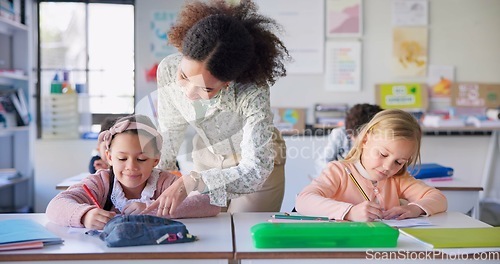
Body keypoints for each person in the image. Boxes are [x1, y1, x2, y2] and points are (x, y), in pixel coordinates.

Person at [145, 0, 290, 215]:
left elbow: (256, 167)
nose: (189, 94)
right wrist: (153, 183)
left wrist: (193, 181)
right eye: (184, 76)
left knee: (243, 236)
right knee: (205, 235)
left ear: (228, 82)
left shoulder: (252, 90)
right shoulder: (168, 68)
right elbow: (171, 129)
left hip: (256, 169)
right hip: (208, 159)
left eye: (205, 89)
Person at [46, 115, 220, 229]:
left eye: (142, 159)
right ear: (109, 157)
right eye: (122, 159)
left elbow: (211, 203)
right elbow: (55, 206)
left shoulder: (164, 183)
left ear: (155, 160)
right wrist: (85, 215)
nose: (131, 167)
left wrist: (151, 210)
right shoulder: (101, 182)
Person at [296, 109, 447, 222]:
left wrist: (415, 208)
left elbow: (438, 198)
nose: (388, 167)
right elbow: (304, 201)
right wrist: (350, 212)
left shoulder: (398, 179)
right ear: (365, 140)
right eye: (383, 154)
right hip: (343, 247)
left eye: (399, 162)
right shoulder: (339, 171)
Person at [315, 104, 383, 176]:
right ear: (349, 133)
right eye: (354, 138)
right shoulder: (339, 134)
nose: (361, 144)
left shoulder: (380, 137)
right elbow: (323, 161)